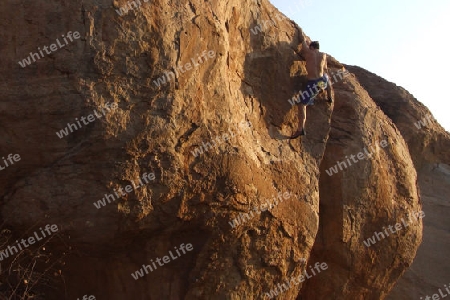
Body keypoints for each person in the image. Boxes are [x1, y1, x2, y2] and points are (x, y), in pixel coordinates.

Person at [290, 39, 333, 138]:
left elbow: (302, 42)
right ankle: (328, 95)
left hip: (313, 83)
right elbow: (325, 69)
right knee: (326, 77)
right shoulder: (323, 55)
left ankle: (300, 129)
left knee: (302, 104)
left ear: (312, 47)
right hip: (322, 81)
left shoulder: (309, 52)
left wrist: (301, 34)